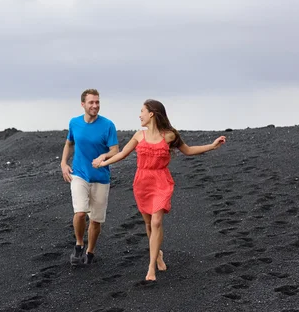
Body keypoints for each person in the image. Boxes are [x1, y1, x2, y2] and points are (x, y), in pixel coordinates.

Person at [93, 99, 225, 281]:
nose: (139, 115)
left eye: (142, 111)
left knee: (156, 222)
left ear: (152, 114)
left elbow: (188, 150)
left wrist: (212, 145)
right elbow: (122, 154)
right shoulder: (139, 136)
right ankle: (158, 255)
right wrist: (103, 163)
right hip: (142, 182)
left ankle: (151, 268)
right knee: (148, 225)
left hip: (161, 180)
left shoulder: (169, 136)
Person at [61, 89, 119, 265]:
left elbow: (115, 150)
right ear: (83, 104)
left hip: (101, 177)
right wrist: (63, 163)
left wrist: (103, 157)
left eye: (97, 102)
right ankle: (79, 244)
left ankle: (90, 252)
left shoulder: (108, 125)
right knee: (80, 213)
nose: (95, 105)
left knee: (95, 220)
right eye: (91, 102)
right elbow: (69, 143)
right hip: (79, 174)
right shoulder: (74, 123)